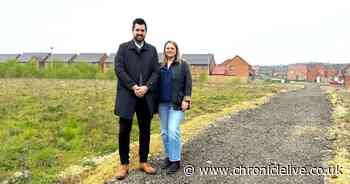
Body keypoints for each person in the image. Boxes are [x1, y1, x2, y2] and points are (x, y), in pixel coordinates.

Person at [114, 18, 160, 180]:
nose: (140, 33)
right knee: (124, 131)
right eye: (137, 30)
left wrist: (147, 87)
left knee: (145, 130)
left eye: (142, 30)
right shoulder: (123, 48)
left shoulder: (152, 50)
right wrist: (133, 86)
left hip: (146, 97)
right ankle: (124, 164)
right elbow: (119, 69)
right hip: (128, 95)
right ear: (132, 31)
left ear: (146, 32)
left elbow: (156, 72)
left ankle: (143, 161)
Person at [158, 40, 192, 174]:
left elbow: (188, 83)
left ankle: (176, 161)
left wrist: (187, 100)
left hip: (177, 104)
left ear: (176, 50)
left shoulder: (183, 64)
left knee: (173, 131)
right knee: (164, 133)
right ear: (164, 50)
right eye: (167, 48)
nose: (170, 50)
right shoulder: (160, 66)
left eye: (172, 48)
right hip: (162, 104)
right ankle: (168, 156)